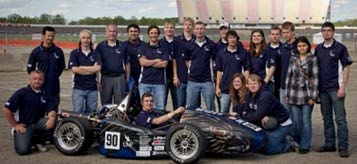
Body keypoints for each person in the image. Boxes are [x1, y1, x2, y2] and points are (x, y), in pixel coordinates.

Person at [314, 22, 353, 158]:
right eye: (324, 30)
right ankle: (329, 144)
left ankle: (343, 147)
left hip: (336, 89)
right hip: (323, 89)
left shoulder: (340, 48)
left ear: (333, 32)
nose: (326, 33)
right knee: (327, 118)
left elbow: (347, 68)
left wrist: (343, 87)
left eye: (329, 30)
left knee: (340, 119)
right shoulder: (318, 49)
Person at [3, 70, 56, 155]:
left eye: (40, 79)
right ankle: (30, 139)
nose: (37, 81)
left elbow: (51, 110)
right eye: (34, 79)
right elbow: (6, 109)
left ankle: (39, 140)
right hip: (25, 125)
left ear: (43, 81)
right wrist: (15, 125)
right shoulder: (22, 92)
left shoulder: (46, 94)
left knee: (57, 123)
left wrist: (52, 118)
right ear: (30, 80)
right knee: (23, 150)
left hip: (38, 122)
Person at [241, 74, 293, 155]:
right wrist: (252, 115)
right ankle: (277, 139)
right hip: (266, 123)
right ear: (247, 85)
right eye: (250, 84)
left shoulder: (265, 95)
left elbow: (256, 116)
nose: (252, 86)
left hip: (282, 124)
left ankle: (288, 144)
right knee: (258, 146)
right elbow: (245, 111)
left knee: (268, 150)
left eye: (255, 83)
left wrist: (250, 115)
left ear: (260, 84)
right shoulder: (249, 94)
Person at [285, 36, 319, 154]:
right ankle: (297, 141)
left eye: (304, 45)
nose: (301, 48)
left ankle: (305, 145)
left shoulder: (313, 59)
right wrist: (287, 93)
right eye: (299, 46)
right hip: (294, 93)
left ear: (308, 46)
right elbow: (289, 76)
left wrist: (313, 97)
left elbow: (315, 78)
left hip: (307, 94)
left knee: (306, 120)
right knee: (296, 121)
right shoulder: (293, 59)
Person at [27, 26, 65, 111]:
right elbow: (30, 69)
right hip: (40, 87)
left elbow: (61, 68)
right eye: (48, 35)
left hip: (54, 88)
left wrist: (53, 76)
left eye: (52, 36)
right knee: (38, 112)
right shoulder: (36, 52)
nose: (50, 38)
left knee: (53, 112)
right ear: (43, 35)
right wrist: (38, 80)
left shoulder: (58, 51)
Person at [216, 30, 250, 113]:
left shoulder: (243, 52)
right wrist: (217, 86)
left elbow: (246, 69)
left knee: (239, 112)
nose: (232, 40)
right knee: (224, 112)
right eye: (230, 38)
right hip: (225, 88)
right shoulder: (221, 53)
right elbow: (219, 71)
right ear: (227, 39)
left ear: (237, 39)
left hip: (239, 88)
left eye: (234, 37)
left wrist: (246, 84)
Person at [185, 21, 216, 111]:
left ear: (204, 30)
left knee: (210, 107)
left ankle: (211, 125)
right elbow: (187, 60)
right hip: (192, 81)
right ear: (194, 30)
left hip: (207, 81)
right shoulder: (189, 45)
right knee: (191, 108)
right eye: (197, 29)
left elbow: (214, 60)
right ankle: (192, 125)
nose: (199, 31)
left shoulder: (211, 44)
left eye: (201, 29)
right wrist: (192, 69)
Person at [68, 29, 101, 114]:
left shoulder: (96, 53)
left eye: (88, 38)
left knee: (92, 113)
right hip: (78, 88)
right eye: (83, 38)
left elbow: (97, 68)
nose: (86, 40)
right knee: (78, 112)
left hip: (92, 88)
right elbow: (74, 69)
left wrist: (81, 67)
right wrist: (91, 70)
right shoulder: (74, 53)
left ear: (91, 39)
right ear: (80, 39)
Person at [96, 24, 129, 105]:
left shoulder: (122, 46)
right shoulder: (100, 46)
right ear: (106, 32)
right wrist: (97, 81)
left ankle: (117, 118)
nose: (112, 33)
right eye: (110, 31)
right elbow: (97, 65)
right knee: (106, 103)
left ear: (117, 32)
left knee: (120, 104)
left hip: (119, 78)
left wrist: (127, 79)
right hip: (106, 78)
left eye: (114, 31)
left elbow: (127, 63)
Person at [138, 25, 169, 111]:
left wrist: (148, 62)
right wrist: (156, 60)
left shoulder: (164, 47)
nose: (153, 35)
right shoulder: (143, 47)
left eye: (155, 33)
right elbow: (142, 62)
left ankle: (159, 124)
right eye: (151, 33)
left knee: (160, 108)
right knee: (145, 108)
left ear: (158, 34)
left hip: (159, 83)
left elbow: (164, 64)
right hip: (145, 82)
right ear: (148, 34)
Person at [173, 17, 195, 107]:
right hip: (181, 77)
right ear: (183, 26)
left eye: (190, 24)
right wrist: (175, 76)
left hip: (194, 79)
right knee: (180, 104)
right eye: (186, 24)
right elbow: (174, 59)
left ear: (192, 26)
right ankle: (179, 120)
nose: (187, 26)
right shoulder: (177, 40)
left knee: (193, 105)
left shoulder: (197, 40)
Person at [124, 24, 145, 110]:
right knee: (129, 100)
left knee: (141, 99)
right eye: (131, 31)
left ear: (139, 32)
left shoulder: (144, 45)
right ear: (128, 33)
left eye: (135, 31)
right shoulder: (123, 45)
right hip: (128, 77)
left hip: (142, 76)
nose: (133, 33)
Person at [160, 21, 178, 109]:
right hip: (163, 76)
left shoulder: (179, 42)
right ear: (164, 29)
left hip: (177, 76)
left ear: (174, 29)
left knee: (177, 102)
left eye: (171, 27)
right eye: (167, 27)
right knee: (162, 102)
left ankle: (177, 120)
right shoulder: (160, 43)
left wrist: (176, 76)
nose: (169, 29)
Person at [267, 26, 283, 98]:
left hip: (280, 82)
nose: (274, 36)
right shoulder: (264, 48)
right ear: (269, 35)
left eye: (277, 34)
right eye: (273, 34)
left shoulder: (284, 48)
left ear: (280, 35)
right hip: (268, 82)